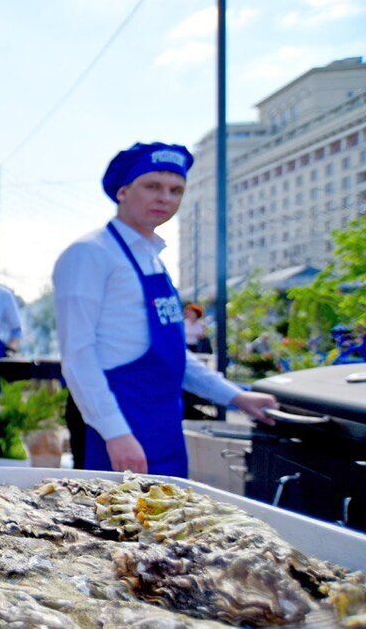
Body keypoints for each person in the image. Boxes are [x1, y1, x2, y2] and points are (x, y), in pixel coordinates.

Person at [53, 142, 278, 476]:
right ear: (123, 191)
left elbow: (174, 356)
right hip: (117, 426)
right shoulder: (90, 254)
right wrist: (115, 433)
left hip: (163, 426)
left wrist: (237, 398)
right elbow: (78, 357)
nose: (165, 198)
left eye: (176, 190)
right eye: (152, 186)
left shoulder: (153, 258)